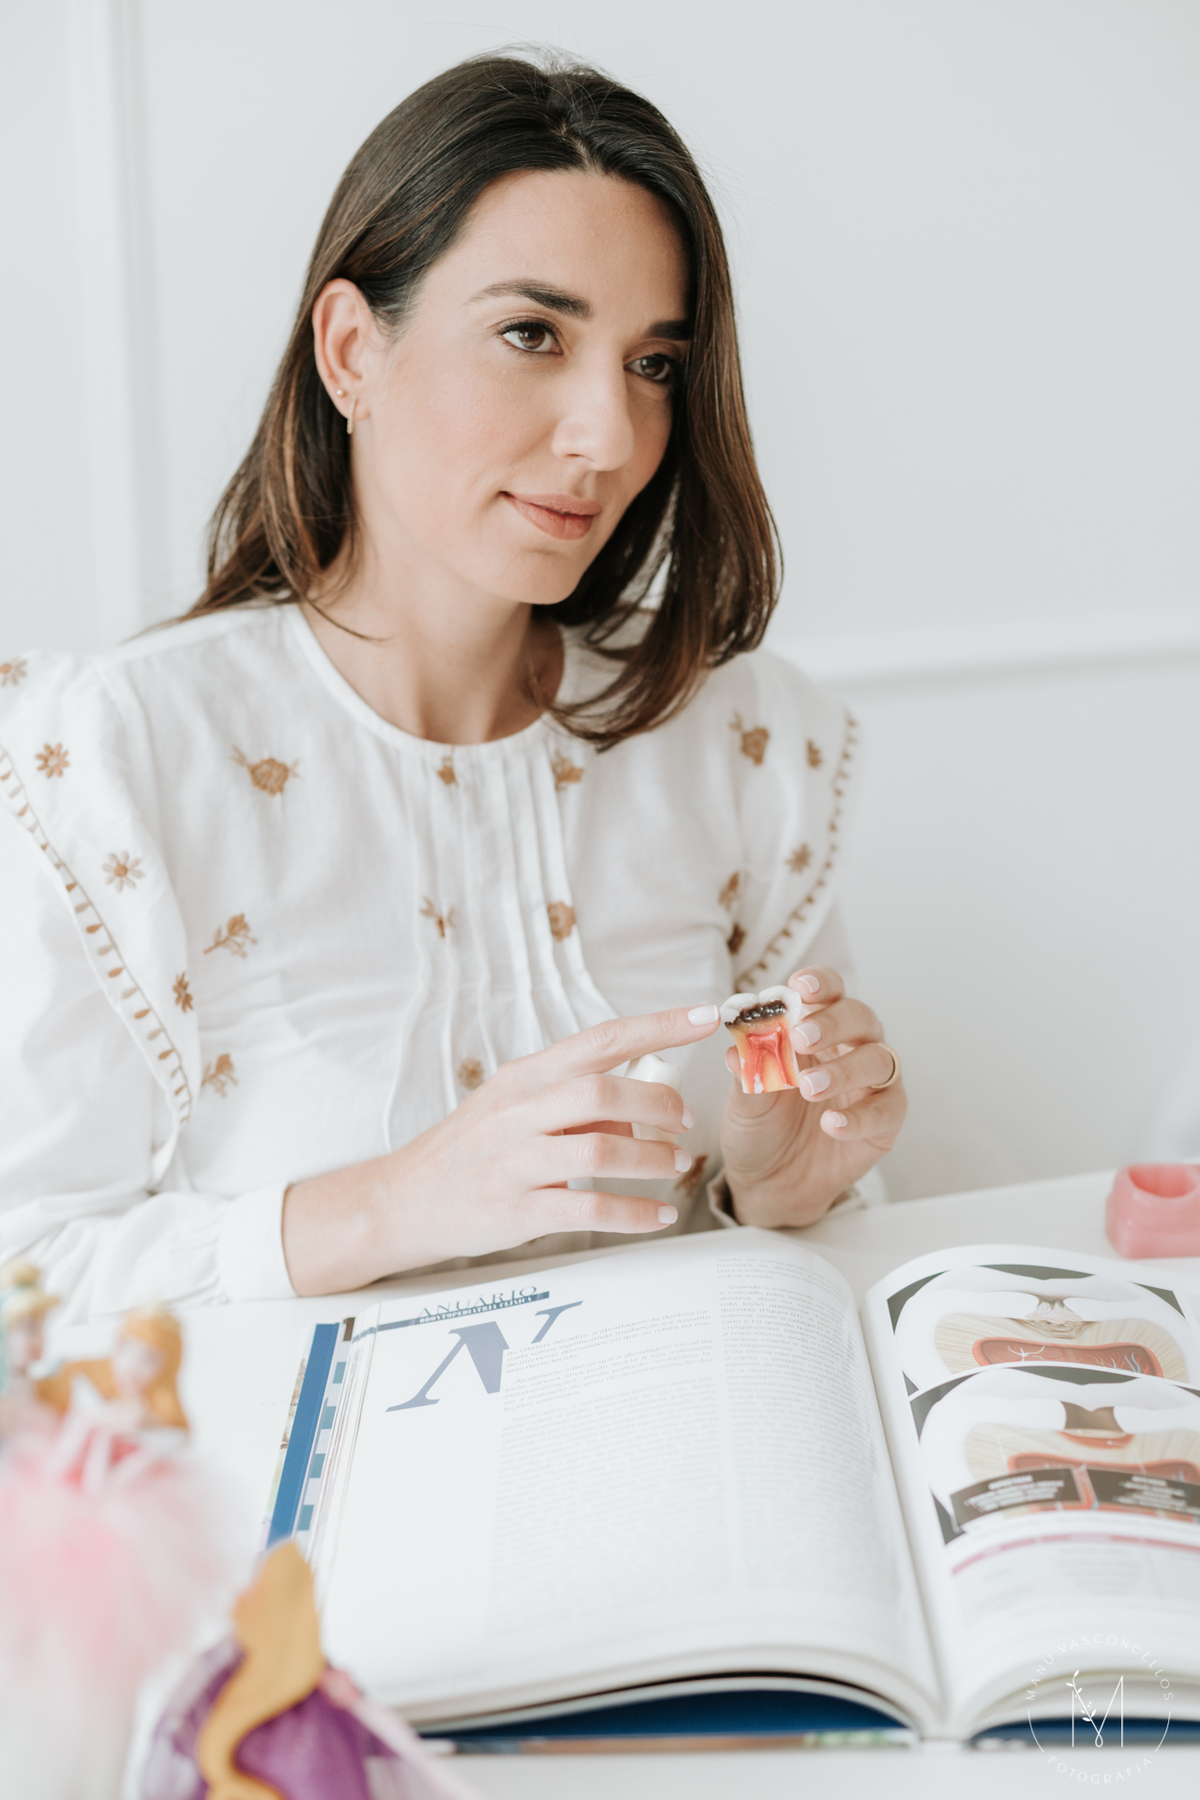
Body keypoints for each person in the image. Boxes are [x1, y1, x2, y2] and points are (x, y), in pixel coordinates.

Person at [0, 53, 906, 1323]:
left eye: (653, 364)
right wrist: (392, 1203)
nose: (608, 436)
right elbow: (28, 1273)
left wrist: (778, 1190)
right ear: (351, 351)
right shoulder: (118, 759)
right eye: (532, 335)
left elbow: (809, 1222)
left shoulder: (739, 739)